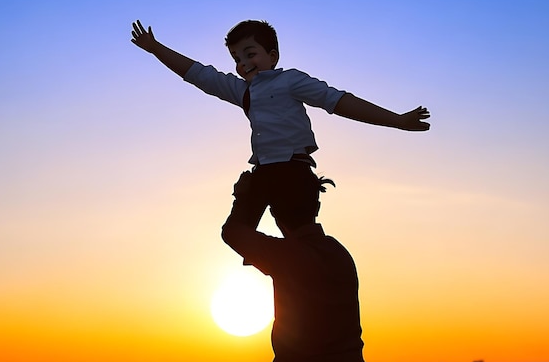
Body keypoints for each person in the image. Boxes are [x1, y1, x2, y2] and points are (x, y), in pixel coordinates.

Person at [130, 19, 430, 231]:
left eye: (250, 54)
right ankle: (283, 265)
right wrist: (156, 48)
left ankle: (308, 268)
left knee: (302, 237)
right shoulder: (243, 91)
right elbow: (199, 74)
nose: (243, 63)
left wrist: (397, 121)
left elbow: (338, 101)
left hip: (293, 171)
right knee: (234, 232)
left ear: (272, 56)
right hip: (262, 172)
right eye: (236, 58)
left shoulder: (290, 81)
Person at [221, 171, 365, 362]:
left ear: (275, 213)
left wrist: (245, 197)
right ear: (316, 208)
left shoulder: (285, 255)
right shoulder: (339, 253)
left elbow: (232, 232)